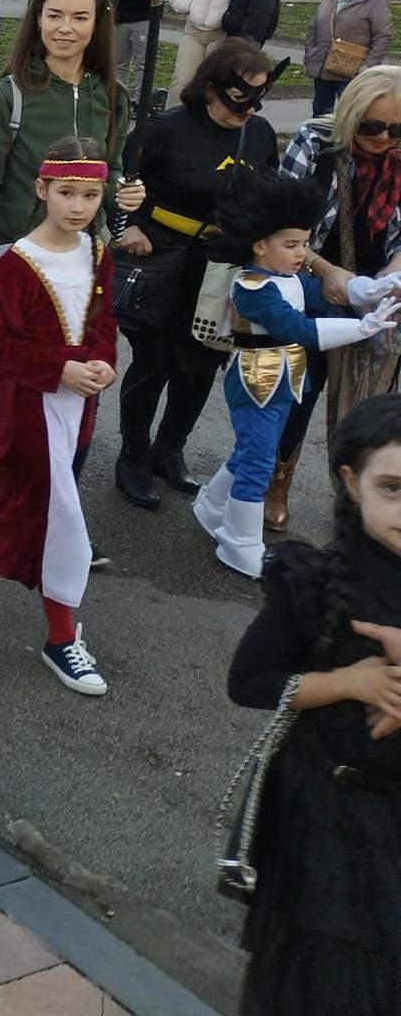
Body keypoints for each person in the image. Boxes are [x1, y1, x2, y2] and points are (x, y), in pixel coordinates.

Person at [225, 393, 401, 1016]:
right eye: (393, 487)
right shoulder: (318, 579)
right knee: (320, 984)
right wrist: (350, 684)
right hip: (323, 813)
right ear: (352, 483)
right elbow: (248, 681)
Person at [0, 136, 119, 697]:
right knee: (60, 514)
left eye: (90, 195)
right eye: (67, 193)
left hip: (77, 405)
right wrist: (60, 369)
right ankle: (61, 638)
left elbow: (103, 321)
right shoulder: (18, 264)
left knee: (19, 496)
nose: (79, 207)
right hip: (26, 406)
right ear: (42, 190)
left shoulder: (99, 254)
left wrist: (103, 361)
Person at [191, 167, 400, 578]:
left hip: (283, 378)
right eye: (291, 244)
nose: (302, 252)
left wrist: (371, 290)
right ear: (259, 245)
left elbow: (326, 298)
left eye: (304, 243)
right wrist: (361, 327)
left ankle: (211, 506)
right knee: (259, 460)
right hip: (255, 381)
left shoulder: (290, 277)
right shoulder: (252, 288)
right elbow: (299, 328)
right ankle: (240, 541)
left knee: (251, 450)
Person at [110, 41, 283, 510]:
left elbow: (269, 193)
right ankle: (134, 455)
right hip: (162, 258)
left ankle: (170, 450)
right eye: (236, 100)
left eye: (256, 99)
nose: (245, 112)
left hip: (222, 265)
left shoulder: (261, 134)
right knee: (155, 363)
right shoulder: (166, 129)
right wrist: (131, 227)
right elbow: (122, 183)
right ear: (210, 88)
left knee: (202, 363)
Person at [271, 64, 401, 526]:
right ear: (351, 113)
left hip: (374, 293)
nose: (384, 137)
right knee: (301, 389)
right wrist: (327, 272)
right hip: (308, 279)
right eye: (372, 125)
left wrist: (389, 277)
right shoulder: (314, 141)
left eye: (396, 128)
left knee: (372, 403)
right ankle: (277, 479)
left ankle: (361, 496)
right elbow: (280, 223)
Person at [0, 0, 127, 290]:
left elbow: (112, 170)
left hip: (84, 263)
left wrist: (126, 194)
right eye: (54, 15)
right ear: (38, 19)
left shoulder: (113, 95)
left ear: (96, 24)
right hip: (18, 258)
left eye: (80, 17)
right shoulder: (9, 95)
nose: (65, 28)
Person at [306, 0, 392, 118]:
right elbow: (313, 28)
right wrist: (310, 54)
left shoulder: (376, 2)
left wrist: (367, 67)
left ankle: (346, 142)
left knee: (350, 114)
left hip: (351, 71)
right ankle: (321, 141)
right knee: (320, 112)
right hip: (322, 67)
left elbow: (382, 38)